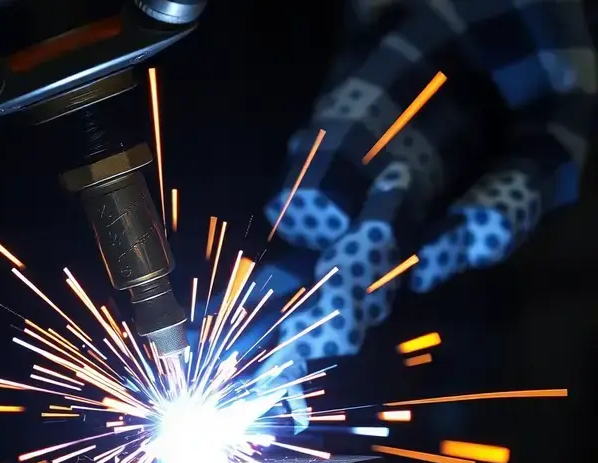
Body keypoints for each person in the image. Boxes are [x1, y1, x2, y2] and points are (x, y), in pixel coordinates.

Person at [243, 0, 598, 431]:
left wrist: (459, 231)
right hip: (340, 222)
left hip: (444, 254)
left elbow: (559, 134)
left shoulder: (534, 29)